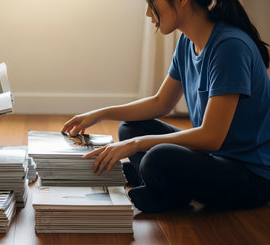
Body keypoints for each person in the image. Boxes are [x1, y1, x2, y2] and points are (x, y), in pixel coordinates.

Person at [62, 0, 270, 213]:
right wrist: (101, 114)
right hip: (214, 159)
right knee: (131, 127)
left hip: (251, 177)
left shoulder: (230, 47)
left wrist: (137, 145)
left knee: (156, 157)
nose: (147, 13)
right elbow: (161, 102)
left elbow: (212, 137)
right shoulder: (187, 43)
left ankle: (163, 188)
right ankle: (157, 182)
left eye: (152, 3)